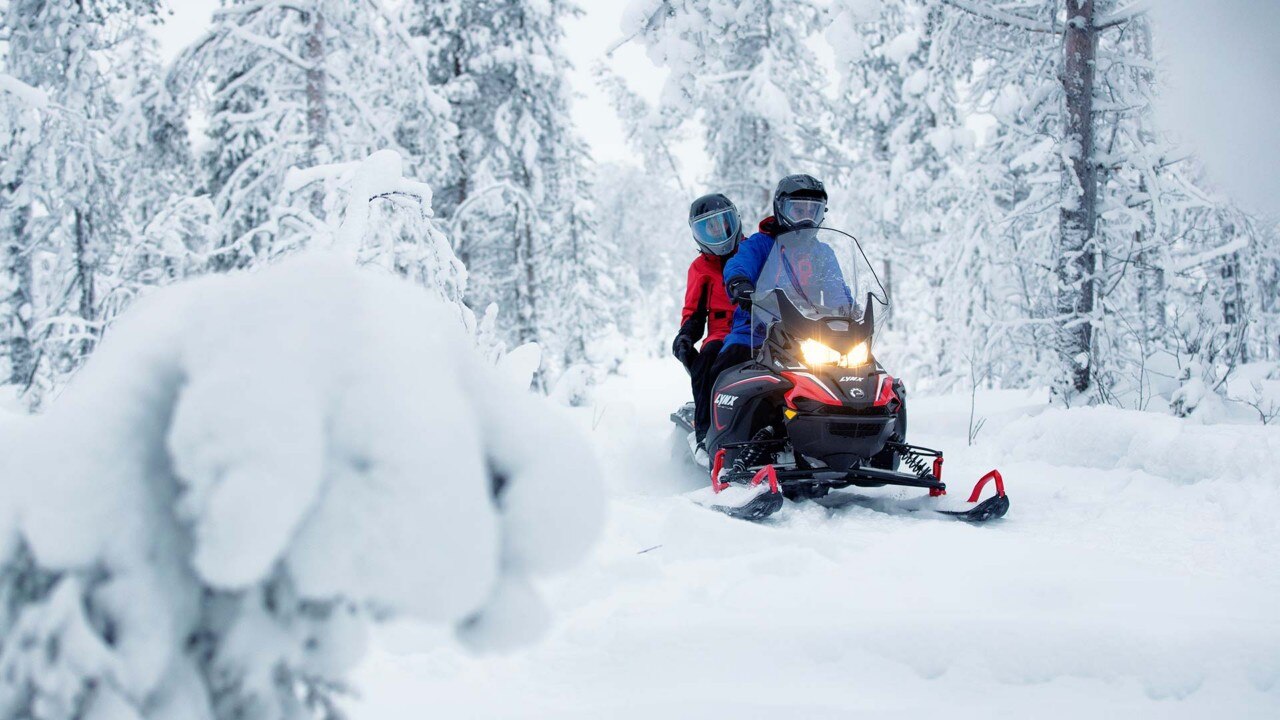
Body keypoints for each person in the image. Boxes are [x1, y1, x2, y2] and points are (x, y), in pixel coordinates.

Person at [708, 174, 838, 383]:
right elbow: (738, 264)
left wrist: (851, 310)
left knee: (858, 373)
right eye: (798, 210)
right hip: (757, 331)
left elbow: (837, 290)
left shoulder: (822, 254)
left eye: (812, 211)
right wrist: (740, 283)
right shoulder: (761, 244)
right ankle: (708, 416)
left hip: (811, 335)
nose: (806, 219)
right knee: (724, 368)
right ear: (781, 209)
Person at [673, 193, 743, 460]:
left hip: (763, 328)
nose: (717, 232)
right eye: (708, 227)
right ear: (698, 234)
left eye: (721, 223)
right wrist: (685, 336)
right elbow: (694, 311)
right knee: (707, 366)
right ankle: (706, 436)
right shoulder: (701, 268)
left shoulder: (752, 251)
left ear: (733, 221)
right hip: (721, 333)